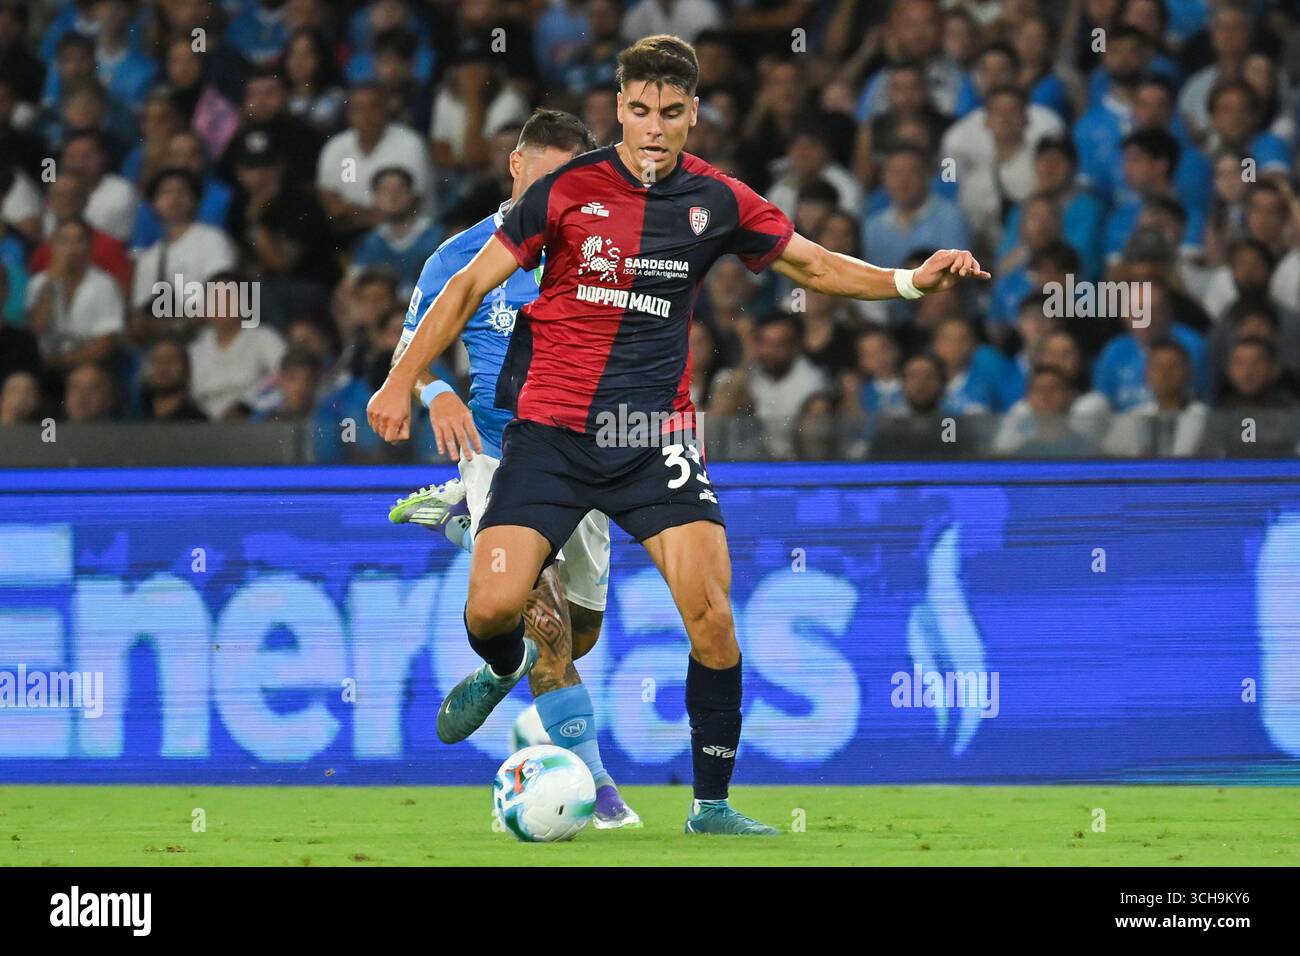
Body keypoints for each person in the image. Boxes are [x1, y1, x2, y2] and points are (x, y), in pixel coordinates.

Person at [367, 35, 988, 836]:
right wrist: (399, 380)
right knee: (492, 610)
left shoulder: (718, 201)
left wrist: (907, 280)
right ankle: (505, 660)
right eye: (637, 110)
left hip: (650, 438)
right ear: (617, 110)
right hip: (549, 436)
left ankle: (712, 806)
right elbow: (465, 286)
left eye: (669, 112)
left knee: (710, 618)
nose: (653, 127)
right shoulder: (566, 193)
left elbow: (811, 266)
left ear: (693, 114)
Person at [384, 108, 640, 830]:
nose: (552, 190)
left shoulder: (604, 257)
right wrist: (433, 392)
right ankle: (600, 792)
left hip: (588, 458)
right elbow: (409, 347)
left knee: (577, 632)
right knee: (550, 624)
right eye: (542, 173)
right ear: (516, 167)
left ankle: (500, 658)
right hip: (504, 458)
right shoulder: (463, 256)